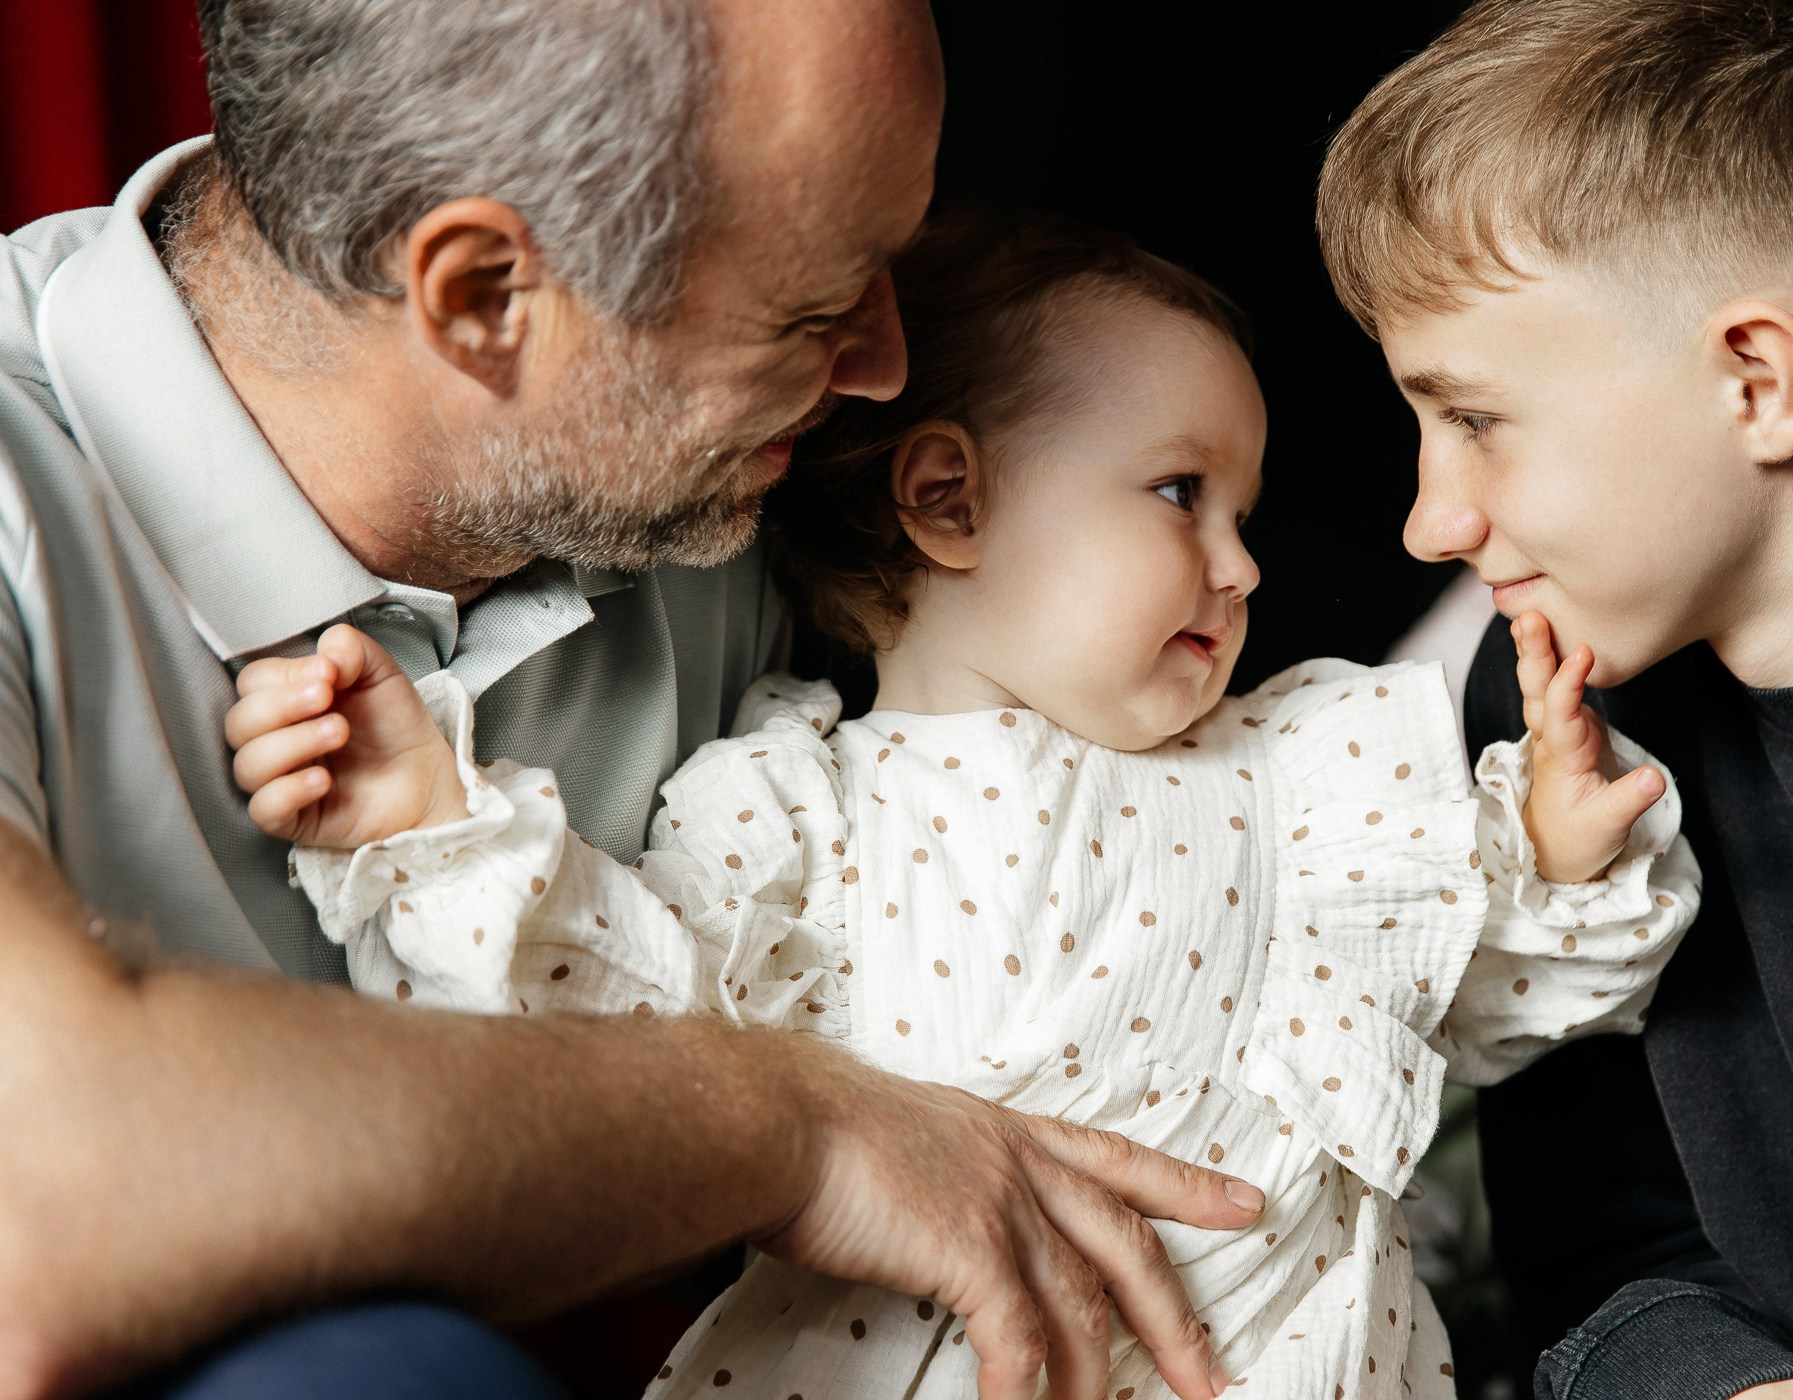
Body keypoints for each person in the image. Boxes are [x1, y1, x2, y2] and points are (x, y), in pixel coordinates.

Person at [0, 4, 1275, 1397]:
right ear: (485, 297)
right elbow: (49, 1208)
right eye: (815, 309)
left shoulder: (733, 480)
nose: (886, 369)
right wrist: (796, 1131)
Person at [227, 208, 1701, 1399]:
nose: (1244, 565)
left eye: (1245, 513)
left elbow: (1468, 1009)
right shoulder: (792, 808)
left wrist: (1554, 860)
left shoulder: (1294, 775)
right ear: (949, 499)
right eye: (1180, 492)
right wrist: (432, 823)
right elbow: (620, 1027)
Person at [1316, 0, 1793, 1397]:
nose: (1432, 522)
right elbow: (1599, 1259)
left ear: (1759, 380)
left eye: (1476, 419)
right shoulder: (1558, 715)